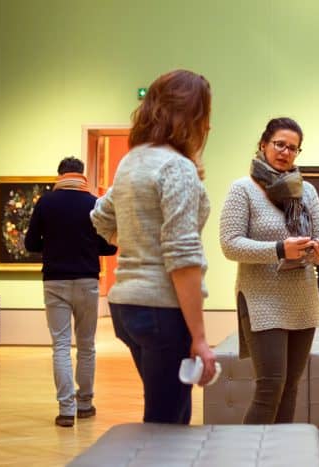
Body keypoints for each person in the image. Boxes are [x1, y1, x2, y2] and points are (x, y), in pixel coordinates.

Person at [90, 69, 217, 424]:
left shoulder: (134, 160)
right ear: (191, 115)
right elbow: (182, 255)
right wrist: (201, 338)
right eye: (205, 116)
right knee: (167, 425)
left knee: (168, 416)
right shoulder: (175, 167)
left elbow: (101, 217)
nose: (207, 128)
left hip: (127, 307)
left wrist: (136, 242)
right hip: (162, 310)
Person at [219, 117, 319, 424]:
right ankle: (250, 456)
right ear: (263, 145)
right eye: (279, 144)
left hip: (303, 298)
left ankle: (279, 454)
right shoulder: (242, 189)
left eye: (293, 148)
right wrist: (279, 249)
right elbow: (229, 245)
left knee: (291, 387)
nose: (285, 152)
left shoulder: (306, 191)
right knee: (270, 386)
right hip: (261, 299)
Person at [24, 156, 118, 427]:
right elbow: (110, 247)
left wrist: (54, 244)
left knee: (61, 346)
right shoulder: (94, 203)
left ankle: (66, 410)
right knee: (87, 346)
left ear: (60, 175)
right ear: (82, 175)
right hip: (88, 281)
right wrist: (87, 245)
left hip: (54, 282)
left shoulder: (46, 203)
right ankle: (85, 404)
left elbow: (31, 243)